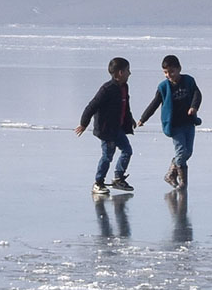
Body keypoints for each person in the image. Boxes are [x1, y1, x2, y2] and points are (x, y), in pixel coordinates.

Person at [137, 54, 202, 191]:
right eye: (165, 72)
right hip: (174, 125)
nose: (169, 75)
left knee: (188, 152)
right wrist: (143, 118)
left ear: (179, 69)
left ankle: (171, 173)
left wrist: (193, 107)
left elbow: (197, 94)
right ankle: (183, 182)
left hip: (189, 122)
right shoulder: (164, 87)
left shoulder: (188, 81)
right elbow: (154, 103)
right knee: (181, 151)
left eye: (171, 71)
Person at [75, 57, 136, 194]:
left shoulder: (124, 87)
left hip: (118, 129)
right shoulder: (107, 89)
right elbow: (92, 106)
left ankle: (118, 178)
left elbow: (125, 106)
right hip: (106, 129)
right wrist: (84, 123)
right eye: (127, 70)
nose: (129, 73)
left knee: (127, 150)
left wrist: (130, 119)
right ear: (120, 73)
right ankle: (98, 182)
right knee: (107, 155)